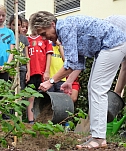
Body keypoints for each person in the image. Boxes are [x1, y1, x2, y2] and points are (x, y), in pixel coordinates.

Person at [29, 11, 126, 149]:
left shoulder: (64, 28)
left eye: (44, 33)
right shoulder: (65, 30)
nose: (45, 38)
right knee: (93, 88)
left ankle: (99, 138)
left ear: (52, 24)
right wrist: (69, 81)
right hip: (108, 47)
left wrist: (51, 81)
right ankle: (96, 135)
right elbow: (78, 61)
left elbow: (71, 63)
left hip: (114, 44)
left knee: (98, 88)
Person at [27, 28, 53, 124]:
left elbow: (49, 55)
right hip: (31, 73)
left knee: (44, 96)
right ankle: (31, 120)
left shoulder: (44, 39)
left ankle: (44, 120)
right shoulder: (27, 40)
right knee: (31, 96)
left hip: (42, 72)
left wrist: (47, 71)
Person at [9, 14, 30, 90]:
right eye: (14, 24)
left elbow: (27, 56)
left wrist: (28, 71)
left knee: (21, 89)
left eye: (18, 25)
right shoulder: (8, 37)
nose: (16, 27)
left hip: (22, 68)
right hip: (11, 68)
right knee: (11, 89)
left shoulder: (24, 38)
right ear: (10, 25)